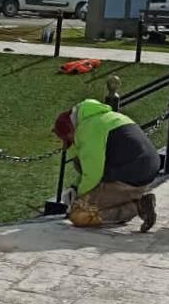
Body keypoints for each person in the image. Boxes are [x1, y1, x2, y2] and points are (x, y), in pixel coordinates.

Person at [52, 99, 159, 232]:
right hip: (146, 171)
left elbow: (93, 174)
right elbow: (88, 167)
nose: (72, 143)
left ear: (71, 130)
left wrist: (77, 198)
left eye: (69, 139)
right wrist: (75, 187)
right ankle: (134, 200)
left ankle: (136, 207)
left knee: (79, 214)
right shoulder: (108, 117)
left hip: (128, 175)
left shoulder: (86, 129)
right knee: (79, 162)